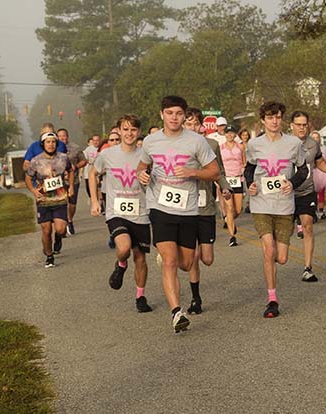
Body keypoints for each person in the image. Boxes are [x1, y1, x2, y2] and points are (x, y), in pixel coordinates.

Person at [136, 95, 219, 333]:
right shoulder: (151, 141)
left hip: (188, 209)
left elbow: (214, 172)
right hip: (159, 207)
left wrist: (193, 172)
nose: (174, 118)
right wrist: (142, 175)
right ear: (162, 114)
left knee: (185, 263)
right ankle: (176, 312)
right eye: (170, 113)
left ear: (184, 116)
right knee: (171, 261)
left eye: (179, 113)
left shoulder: (196, 141)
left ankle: (167, 256)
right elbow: (142, 167)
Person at [244, 101, 308, 318]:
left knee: (281, 258)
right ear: (263, 120)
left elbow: (303, 170)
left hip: (284, 205)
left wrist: (292, 183)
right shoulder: (254, 144)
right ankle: (272, 299)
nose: (274, 121)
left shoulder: (293, 143)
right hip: (261, 204)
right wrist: (250, 184)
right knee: (268, 249)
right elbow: (249, 169)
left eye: (278, 117)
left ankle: (270, 266)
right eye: (270, 117)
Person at [89, 114, 153, 313]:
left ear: (139, 132)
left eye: (133, 129)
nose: (129, 133)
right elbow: (92, 173)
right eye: (125, 129)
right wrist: (94, 201)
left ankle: (140, 297)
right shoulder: (108, 154)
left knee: (140, 258)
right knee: (124, 247)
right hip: (116, 211)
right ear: (118, 131)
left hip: (141, 211)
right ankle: (121, 263)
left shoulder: (146, 155)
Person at [181, 107, 232, 314]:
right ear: (183, 125)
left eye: (196, 124)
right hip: (184, 207)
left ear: (201, 126)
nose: (192, 127)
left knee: (207, 259)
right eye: (189, 123)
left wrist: (225, 187)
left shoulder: (211, 145)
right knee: (192, 256)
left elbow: (219, 171)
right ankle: (196, 298)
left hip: (205, 206)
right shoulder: (176, 147)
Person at [290, 110, 326, 282]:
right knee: (285, 232)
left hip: (306, 191)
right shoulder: (285, 143)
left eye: (305, 125)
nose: (302, 128)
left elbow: (319, 162)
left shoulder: (313, 144)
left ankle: (307, 268)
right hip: (287, 193)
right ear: (291, 126)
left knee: (308, 226)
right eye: (298, 125)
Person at [25, 132, 75, 268]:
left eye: (53, 142)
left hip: (60, 198)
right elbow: (28, 177)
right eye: (48, 142)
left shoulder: (63, 158)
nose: (51, 145)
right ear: (43, 144)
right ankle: (49, 256)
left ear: (56, 144)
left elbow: (71, 171)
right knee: (46, 231)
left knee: (61, 229)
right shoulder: (36, 161)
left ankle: (58, 237)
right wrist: (33, 191)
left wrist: (71, 186)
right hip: (43, 200)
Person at [57, 128, 87, 235]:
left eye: (64, 135)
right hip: (59, 181)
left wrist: (76, 166)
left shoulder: (75, 148)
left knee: (72, 204)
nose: (62, 138)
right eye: (60, 136)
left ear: (67, 136)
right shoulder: (53, 149)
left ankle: (69, 220)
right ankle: (63, 223)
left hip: (73, 180)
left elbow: (84, 161)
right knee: (61, 203)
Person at [220, 125, 246, 246]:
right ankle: (232, 236)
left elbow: (244, 161)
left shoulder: (240, 147)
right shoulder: (220, 148)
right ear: (224, 134)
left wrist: (243, 169)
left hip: (237, 179)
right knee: (229, 207)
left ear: (235, 134)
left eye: (232, 133)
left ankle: (229, 220)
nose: (229, 135)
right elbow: (218, 164)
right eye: (227, 133)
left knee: (238, 209)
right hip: (226, 180)